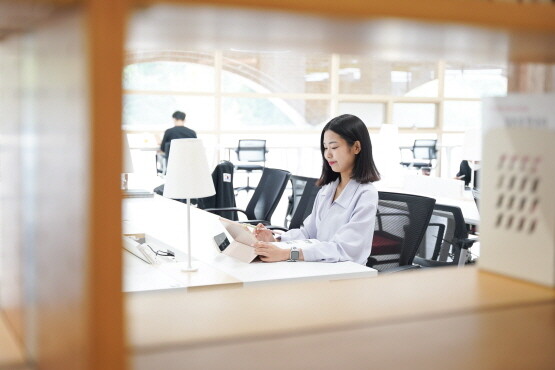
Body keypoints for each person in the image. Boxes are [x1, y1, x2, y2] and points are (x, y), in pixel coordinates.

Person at [253, 114, 380, 265]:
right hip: (320, 267)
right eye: (325, 148)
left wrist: (288, 253)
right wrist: (275, 240)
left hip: (345, 274)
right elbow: (308, 233)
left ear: (356, 147)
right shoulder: (328, 189)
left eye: (334, 147)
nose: (328, 154)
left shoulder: (366, 194)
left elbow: (342, 249)